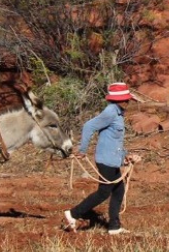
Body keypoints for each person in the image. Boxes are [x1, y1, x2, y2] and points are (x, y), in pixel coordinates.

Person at [63, 82, 141, 235]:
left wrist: (125, 155)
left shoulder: (118, 113)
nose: (128, 102)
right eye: (126, 99)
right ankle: (72, 214)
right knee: (103, 193)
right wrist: (83, 149)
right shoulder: (111, 112)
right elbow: (88, 126)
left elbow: (114, 140)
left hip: (112, 159)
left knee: (118, 191)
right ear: (119, 100)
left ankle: (114, 227)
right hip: (106, 160)